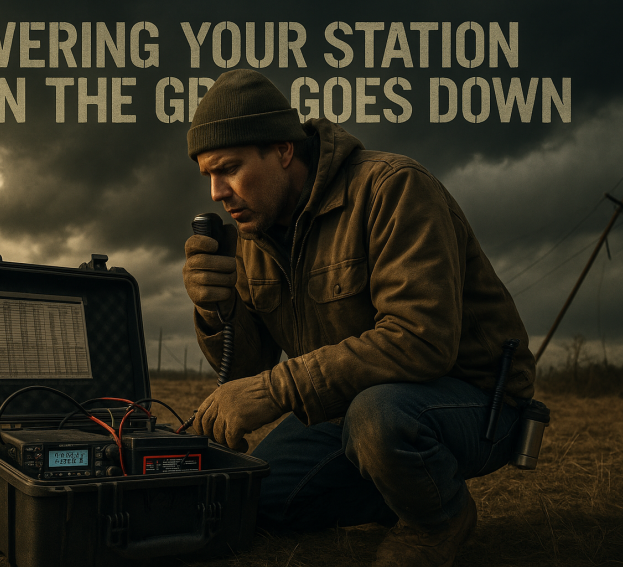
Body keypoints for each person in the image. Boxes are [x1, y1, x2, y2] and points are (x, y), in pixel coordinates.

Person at [183, 69, 535, 566]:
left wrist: (276, 390)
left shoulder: (393, 187)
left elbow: (421, 339)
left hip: (475, 401)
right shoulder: (253, 238)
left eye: (230, 169)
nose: (217, 192)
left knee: (380, 417)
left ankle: (437, 520)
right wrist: (213, 308)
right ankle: (399, 491)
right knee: (255, 500)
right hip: (348, 408)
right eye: (209, 176)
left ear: (283, 150)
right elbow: (244, 368)